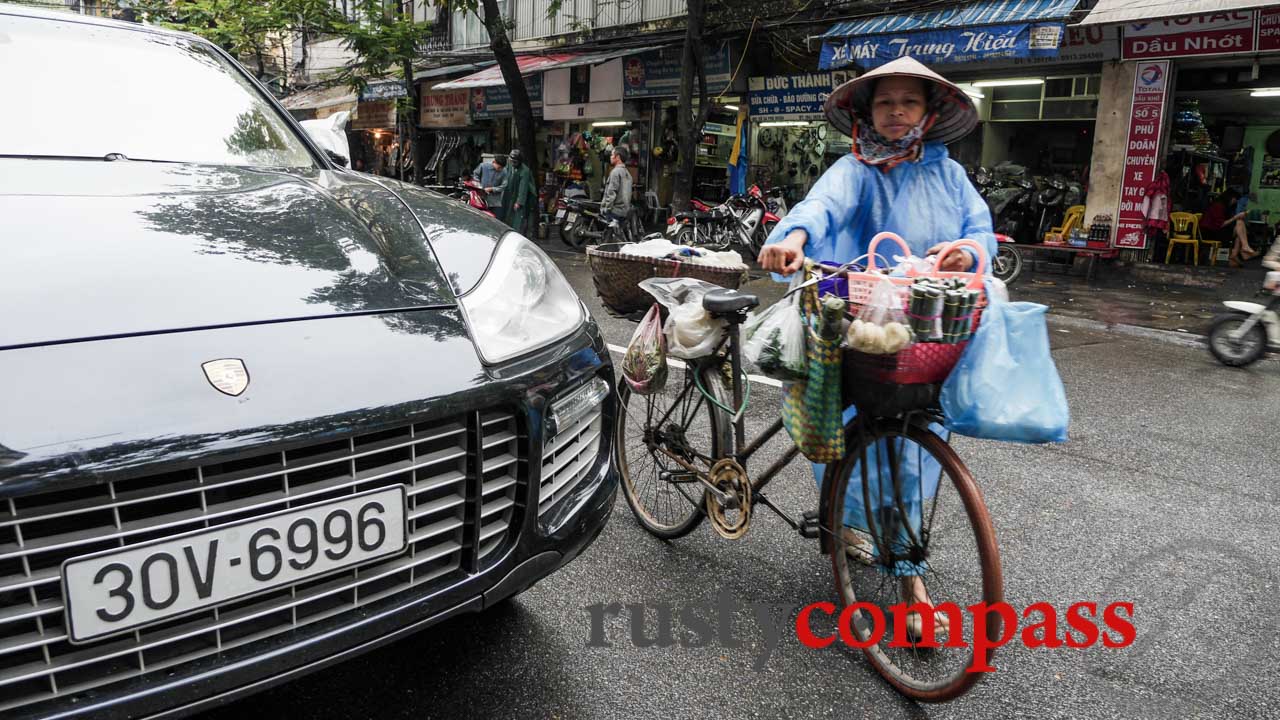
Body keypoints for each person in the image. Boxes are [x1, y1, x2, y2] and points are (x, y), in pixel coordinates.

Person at [758, 57, 995, 640]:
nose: (895, 112)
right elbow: (820, 207)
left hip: (926, 330)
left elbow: (980, 231)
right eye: (885, 102)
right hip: (858, 322)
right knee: (844, 435)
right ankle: (864, 537)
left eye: (907, 102)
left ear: (928, 112)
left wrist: (968, 252)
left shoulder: (952, 176)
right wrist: (791, 237)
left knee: (916, 451)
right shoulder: (854, 169)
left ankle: (909, 575)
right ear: (868, 112)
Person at [1201, 190, 1256, 267]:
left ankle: (1238, 252)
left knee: (1239, 225)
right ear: (1230, 198)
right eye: (1235, 199)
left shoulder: (1226, 207)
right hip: (1210, 232)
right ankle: (1242, 250)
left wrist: (1237, 218)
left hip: (1218, 231)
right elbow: (1220, 225)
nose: (1235, 201)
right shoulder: (1218, 206)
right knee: (1239, 224)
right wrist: (1235, 217)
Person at [500, 148, 538, 234]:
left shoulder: (525, 171)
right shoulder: (509, 165)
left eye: (515, 162)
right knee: (506, 214)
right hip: (509, 192)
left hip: (520, 197)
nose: (513, 163)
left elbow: (523, 187)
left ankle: (517, 234)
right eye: (511, 161)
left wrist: (519, 202)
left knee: (517, 217)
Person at [600, 146, 633, 227]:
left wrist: (606, 209)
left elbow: (611, 193)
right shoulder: (628, 174)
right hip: (624, 211)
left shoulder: (615, 172)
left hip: (614, 212)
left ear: (617, 157)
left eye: (612, 155)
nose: (610, 157)